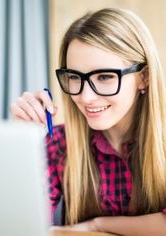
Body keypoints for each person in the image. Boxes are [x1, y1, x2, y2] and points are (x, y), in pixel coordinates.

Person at [10, 8, 166, 235]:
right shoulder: (59, 144)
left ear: (144, 77)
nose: (84, 97)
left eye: (104, 76)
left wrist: (97, 225)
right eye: (74, 77)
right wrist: (21, 143)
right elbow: (16, 223)